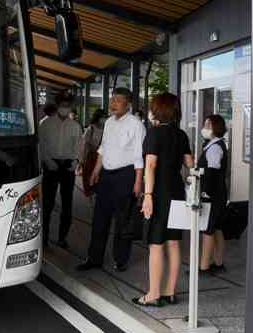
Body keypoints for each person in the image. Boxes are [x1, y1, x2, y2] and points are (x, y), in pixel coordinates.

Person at [133, 93, 194, 307]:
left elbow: (150, 165)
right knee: (174, 243)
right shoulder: (181, 135)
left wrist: (148, 196)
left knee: (156, 244)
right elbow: (190, 164)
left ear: (157, 110)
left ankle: (153, 295)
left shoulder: (153, 134)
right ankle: (170, 292)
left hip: (159, 193)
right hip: (177, 192)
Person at [77, 88, 146, 273]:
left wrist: (138, 182)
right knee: (100, 218)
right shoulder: (109, 122)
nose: (113, 103)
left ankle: (121, 260)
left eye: (117, 100)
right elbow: (103, 148)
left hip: (126, 176)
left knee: (123, 221)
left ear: (128, 103)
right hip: (106, 176)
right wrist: (96, 171)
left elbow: (139, 155)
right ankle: (94, 258)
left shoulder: (136, 124)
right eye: (112, 99)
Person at [38, 96, 82, 248]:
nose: (65, 108)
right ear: (57, 106)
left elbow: (78, 145)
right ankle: (43, 239)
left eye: (68, 106)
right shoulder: (46, 124)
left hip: (68, 166)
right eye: (62, 105)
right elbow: (41, 145)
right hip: (51, 165)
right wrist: (48, 161)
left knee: (67, 204)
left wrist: (76, 161)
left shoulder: (75, 126)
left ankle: (62, 238)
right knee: (47, 204)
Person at [198, 114, 229, 274]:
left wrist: (205, 191)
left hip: (213, 194)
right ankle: (218, 262)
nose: (205, 128)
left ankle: (204, 266)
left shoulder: (215, 147)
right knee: (216, 228)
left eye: (208, 125)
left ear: (216, 127)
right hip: (218, 193)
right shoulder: (214, 145)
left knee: (208, 229)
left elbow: (212, 171)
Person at [76, 108, 106, 197]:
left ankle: (97, 194)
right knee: (88, 179)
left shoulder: (107, 129)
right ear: (97, 118)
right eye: (102, 117)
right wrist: (81, 160)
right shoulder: (91, 129)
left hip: (102, 159)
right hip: (90, 158)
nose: (104, 119)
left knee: (100, 179)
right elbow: (83, 145)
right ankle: (91, 195)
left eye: (105, 117)